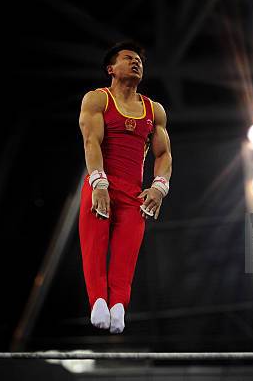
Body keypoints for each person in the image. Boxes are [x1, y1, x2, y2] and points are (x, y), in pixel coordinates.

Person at [78, 41, 172, 334]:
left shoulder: (153, 110)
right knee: (95, 245)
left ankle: (119, 304)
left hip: (133, 192)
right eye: (128, 58)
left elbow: (163, 154)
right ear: (111, 69)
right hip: (101, 185)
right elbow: (91, 142)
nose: (136, 63)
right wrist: (99, 182)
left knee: (126, 252)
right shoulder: (98, 100)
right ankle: (98, 301)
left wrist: (158, 187)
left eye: (139, 61)